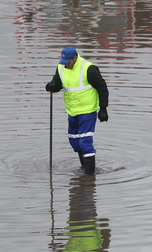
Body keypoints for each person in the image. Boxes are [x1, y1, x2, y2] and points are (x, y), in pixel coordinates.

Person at [46, 47, 109, 175]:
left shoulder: (88, 68)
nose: (65, 64)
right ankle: (85, 169)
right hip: (72, 112)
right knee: (74, 141)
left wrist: (103, 109)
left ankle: (89, 177)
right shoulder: (61, 67)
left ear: (75, 58)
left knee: (85, 142)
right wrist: (51, 85)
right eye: (63, 61)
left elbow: (102, 88)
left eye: (67, 61)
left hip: (87, 111)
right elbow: (57, 83)